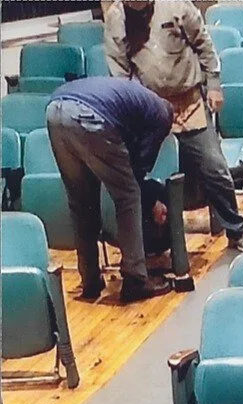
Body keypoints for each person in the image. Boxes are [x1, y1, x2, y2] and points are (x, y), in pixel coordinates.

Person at [104, 0, 243, 251]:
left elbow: (204, 44)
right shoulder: (116, 17)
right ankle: (152, 246)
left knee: (214, 168)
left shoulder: (175, 5)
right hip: (151, 108)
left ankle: (236, 232)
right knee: (138, 175)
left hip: (189, 102)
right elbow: (119, 70)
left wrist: (214, 85)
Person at [45, 75, 174, 302]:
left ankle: (90, 281)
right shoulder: (161, 116)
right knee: (128, 196)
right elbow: (137, 172)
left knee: (81, 204)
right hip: (90, 116)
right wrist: (153, 200)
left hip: (55, 110)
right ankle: (136, 279)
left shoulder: (134, 102)